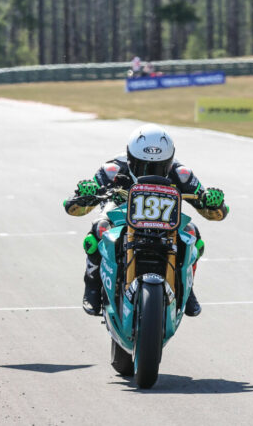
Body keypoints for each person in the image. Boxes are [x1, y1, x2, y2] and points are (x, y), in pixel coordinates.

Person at [63, 123, 229, 317]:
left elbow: (216, 212)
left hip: (166, 222)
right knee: (98, 230)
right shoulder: (112, 169)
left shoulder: (182, 173)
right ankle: (92, 286)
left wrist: (212, 202)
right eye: (144, 165)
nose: (150, 172)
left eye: (158, 166)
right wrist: (86, 193)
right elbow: (73, 208)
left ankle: (187, 286)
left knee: (192, 234)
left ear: (170, 159)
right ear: (131, 158)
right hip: (120, 217)